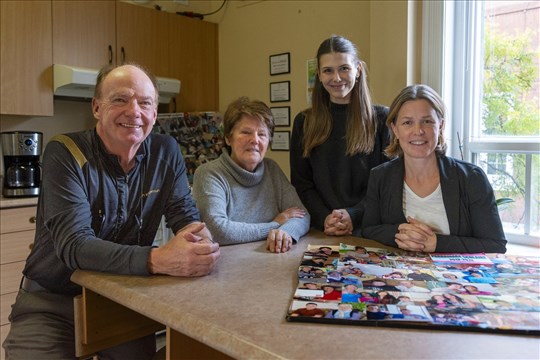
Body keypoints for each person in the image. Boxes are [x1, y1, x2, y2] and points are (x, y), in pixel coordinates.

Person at [2, 64, 221, 359]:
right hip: (52, 301)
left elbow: (183, 214)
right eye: (120, 99)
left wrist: (196, 240)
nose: (134, 111)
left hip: (121, 297)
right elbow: (75, 245)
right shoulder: (64, 151)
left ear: (155, 113)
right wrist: (157, 259)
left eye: (145, 102)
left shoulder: (165, 150)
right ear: (96, 107)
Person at [362, 84, 507, 253]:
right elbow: (369, 230)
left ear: (440, 126)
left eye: (427, 121)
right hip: (399, 277)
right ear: (395, 129)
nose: (418, 131)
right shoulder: (380, 176)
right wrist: (400, 233)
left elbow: (495, 245)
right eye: (407, 122)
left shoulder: (472, 178)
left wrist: (436, 243)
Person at [290, 35, 389, 236]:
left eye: (344, 68)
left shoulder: (382, 119)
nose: (336, 78)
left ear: (358, 69)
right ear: (318, 74)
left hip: (370, 229)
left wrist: (354, 215)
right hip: (321, 229)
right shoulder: (304, 122)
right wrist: (325, 217)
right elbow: (302, 183)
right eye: (328, 70)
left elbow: (387, 182)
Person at [192, 97, 310, 253]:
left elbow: (302, 215)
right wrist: (274, 225)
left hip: (271, 262)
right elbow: (217, 230)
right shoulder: (209, 173)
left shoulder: (272, 169)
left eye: (262, 134)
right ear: (228, 138)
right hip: (227, 269)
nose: (254, 140)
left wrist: (285, 232)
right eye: (246, 132)